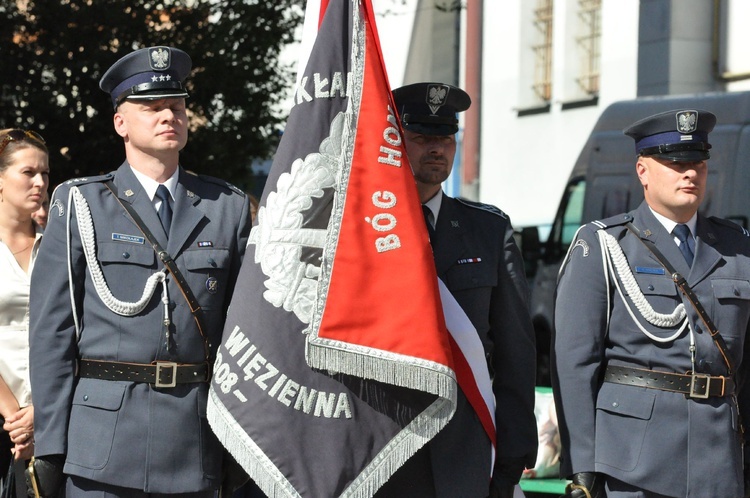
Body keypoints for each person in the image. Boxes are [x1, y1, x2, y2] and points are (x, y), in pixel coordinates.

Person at [27, 46, 251, 497]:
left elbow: (244, 333)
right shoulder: (81, 204)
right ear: (121, 124)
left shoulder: (227, 207)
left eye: (177, 105)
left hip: (196, 443)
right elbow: (52, 334)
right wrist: (50, 448)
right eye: (152, 107)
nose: (169, 115)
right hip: (103, 448)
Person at [552, 109, 750, 497]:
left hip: (719, 461)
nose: (689, 172)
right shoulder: (605, 245)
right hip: (634, 460)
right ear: (643, 170)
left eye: (697, 162)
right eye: (675, 163)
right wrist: (583, 467)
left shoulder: (737, 248)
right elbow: (576, 363)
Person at [379, 82, 538, 498]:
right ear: (395, 141)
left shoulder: (487, 229)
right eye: (422, 138)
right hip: (381, 442)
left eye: (445, 139)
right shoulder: (358, 229)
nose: (437, 149)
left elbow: (515, 349)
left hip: (464, 444)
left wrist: (515, 449)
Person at [0, 129, 48, 498]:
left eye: (45, 174)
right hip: (7, 417)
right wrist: (16, 417)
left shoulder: (59, 244)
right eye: (28, 172)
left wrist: (40, 412)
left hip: (53, 413)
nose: (40, 182)